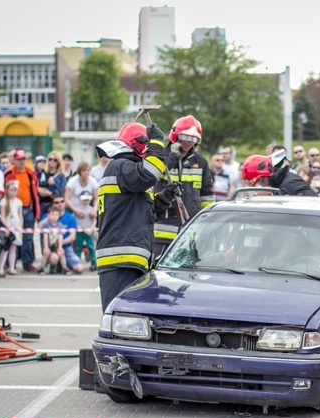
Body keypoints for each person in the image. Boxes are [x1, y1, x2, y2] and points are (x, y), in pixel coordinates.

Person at [96, 121, 170, 312]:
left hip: (126, 259)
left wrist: (163, 200)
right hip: (121, 259)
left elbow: (142, 215)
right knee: (121, 318)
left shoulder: (125, 172)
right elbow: (150, 173)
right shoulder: (122, 166)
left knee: (130, 320)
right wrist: (157, 144)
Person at [152, 115, 215, 260]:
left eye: (193, 139)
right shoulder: (161, 156)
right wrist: (173, 156)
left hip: (191, 227)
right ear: (175, 136)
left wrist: (209, 219)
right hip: (164, 227)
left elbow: (207, 195)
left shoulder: (200, 161)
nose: (188, 143)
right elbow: (155, 174)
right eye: (184, 137)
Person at [3, 149, 41, 273]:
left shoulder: (30, 173)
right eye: (19, 160)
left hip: (27, 208)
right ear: (14, 160)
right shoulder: (9, 173)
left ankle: (27, 263)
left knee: (28, 237)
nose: (21, 162)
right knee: (11, 238)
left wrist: (35, 210)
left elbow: (35, 191)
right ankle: (10, 264)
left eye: (23, 159)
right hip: (12, 209)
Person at [0, 180, 23, 276]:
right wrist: (6, 227)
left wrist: (21, 226)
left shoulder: (18, 202)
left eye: (14, 190)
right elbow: (3, 216)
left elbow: (20, 215)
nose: (13, 192)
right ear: (6, 190)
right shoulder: (4, 202)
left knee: (13, 248)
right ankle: (0, 268)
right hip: (8, 226)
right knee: (6, 248)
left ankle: (12, 267)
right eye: (11, 190)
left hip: (16, 226)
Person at [39, 204, 69, 275]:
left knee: (61, 253)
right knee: (46, 253)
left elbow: (61, 237)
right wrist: (46, 247)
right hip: (48, 244)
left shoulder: (60, 225)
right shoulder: (46, 225)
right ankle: (42, 268)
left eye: (56, 215)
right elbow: (45, 236)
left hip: (56, 245)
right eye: (52, 214)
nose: (54, 217)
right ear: (48, 215)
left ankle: (64, 268)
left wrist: (60, 247)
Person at [74, 190, 97, 271]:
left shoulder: (91, 209)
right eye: (84, 199)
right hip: (80, 231)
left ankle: (94, 263)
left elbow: (94, 220)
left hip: (89, 231)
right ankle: (78, 262)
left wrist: (91, 228)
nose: (85, 201)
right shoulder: (77, 209)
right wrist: (79, 227)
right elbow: (74, 220)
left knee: (91, 247)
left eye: (87, 199)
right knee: (78, 248)